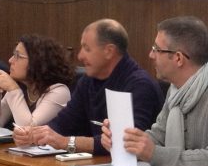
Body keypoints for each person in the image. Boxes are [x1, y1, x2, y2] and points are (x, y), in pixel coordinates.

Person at [101, 16, 208, 166]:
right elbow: (158, 137)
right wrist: (124, 142)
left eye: (156, 49)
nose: (151, 55)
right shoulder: (176, 89)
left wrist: (155, 154)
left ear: (178, 58)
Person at [29, 19, 163, 156]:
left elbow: (126, 143)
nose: (80, 56)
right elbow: (64, 123)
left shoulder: (139, 85)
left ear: (109, 51)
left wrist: (67, 142)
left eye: (87, 49)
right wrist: (37, 134)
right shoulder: (88, 81)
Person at [0, 35, 72, 137]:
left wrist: (14, 90)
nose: (10, 60)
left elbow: (27, 130)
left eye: (18, 56)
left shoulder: (59, 92)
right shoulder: (21, 87)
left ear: (38, 61)